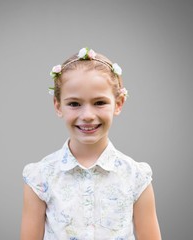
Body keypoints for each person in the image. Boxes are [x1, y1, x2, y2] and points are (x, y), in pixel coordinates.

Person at [20, 47, 161, 240]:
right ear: (58, 105)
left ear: (118, 104)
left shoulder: (136, 177)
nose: (87, 116)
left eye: (99, 102)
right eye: (74, 104)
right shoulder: (40, 177)